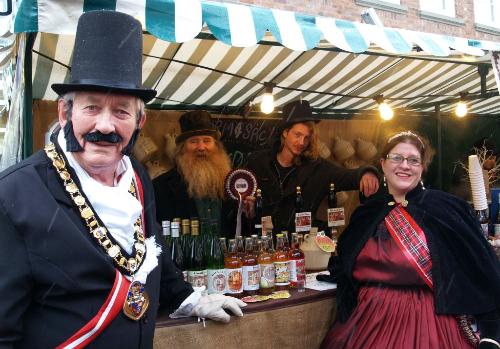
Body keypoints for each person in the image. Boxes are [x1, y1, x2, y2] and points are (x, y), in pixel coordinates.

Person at [0, 11, 245, 348]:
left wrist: (189, 298)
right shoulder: (14, 192)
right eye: (91, 107)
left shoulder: (139, 178)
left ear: (139, 121)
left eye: (120, 111)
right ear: (65, 113)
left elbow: (152, 248)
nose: (105, 126)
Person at [321, 130, 500, 349]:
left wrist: (492, 332)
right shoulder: (366, 213)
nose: (404, 165)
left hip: (433, 323)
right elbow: (346, 263)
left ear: (422, 167)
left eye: (413, 160)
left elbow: (484, 270)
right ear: (383, 163)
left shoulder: (448, 209)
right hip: (369, 320)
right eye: (397, 158)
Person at [245, 99, 380, 233]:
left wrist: (367, 172)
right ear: (285, 133)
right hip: (261, 244)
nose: (301, 142)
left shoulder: (318, 168)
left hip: (299, 247)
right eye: (297, 135)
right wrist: (245, 205)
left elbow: (348, 176)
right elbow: (237, 195)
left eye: (307, 137)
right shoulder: (258, 161)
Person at [153, 110, 247, 237]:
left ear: (216, 146)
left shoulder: (232, 184)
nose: (201, 147)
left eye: (207, 140)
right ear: (182, 148)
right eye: (193, 141)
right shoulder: (161, 187)